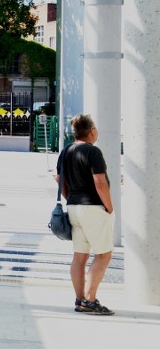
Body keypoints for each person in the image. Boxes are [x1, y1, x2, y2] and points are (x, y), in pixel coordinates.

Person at [56, 114, 115, 315]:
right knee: (104, 254)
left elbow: (59, 180)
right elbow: (99, 181)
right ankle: (90, 299)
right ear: (91, 131)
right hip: (93, 208)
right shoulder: (92, 151)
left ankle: (80, 299)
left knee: (80, 256)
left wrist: (70, 198)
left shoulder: (66, 151)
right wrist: (109, 206)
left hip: (73, 208)